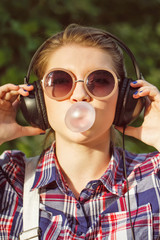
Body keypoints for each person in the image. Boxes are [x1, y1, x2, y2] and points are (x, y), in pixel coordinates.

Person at [0, 24, 160, 240]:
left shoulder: (153, 176)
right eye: (61, 81)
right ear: (36, 100)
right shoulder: (9, 178)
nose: (80, 94)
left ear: (124, 98)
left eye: (100, 81)